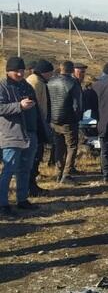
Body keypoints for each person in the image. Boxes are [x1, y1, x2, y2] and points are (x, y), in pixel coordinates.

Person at [0, 57, 46, 216]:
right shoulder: (2, 86)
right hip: (11, 134)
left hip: (30, 133)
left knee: (25, 169)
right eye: (16, 71)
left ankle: (22, 199)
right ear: (8, 71)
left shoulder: (26, 85)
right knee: (8, 170)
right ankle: (3, 204)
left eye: (22, 70)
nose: (20, 73)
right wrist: (19, 106)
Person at [48, 61, 82, 185]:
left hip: (54, 120)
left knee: (59, 146)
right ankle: (66, 174)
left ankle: (58, 171)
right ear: (72, 70)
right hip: (68, 120)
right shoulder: (73, 83)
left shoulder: (50, 82)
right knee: (71, 147)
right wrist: (77, 117)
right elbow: (77, 105)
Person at [26, 59, 54, 196]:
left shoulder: (38, 81)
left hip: (39, 123)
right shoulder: (35, 82)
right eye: (51, 73)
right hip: (36, 124)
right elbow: (34, 106)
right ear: (45, 72)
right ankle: (30, 187)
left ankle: (32, 185)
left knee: (37, 155)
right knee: (34, 156)